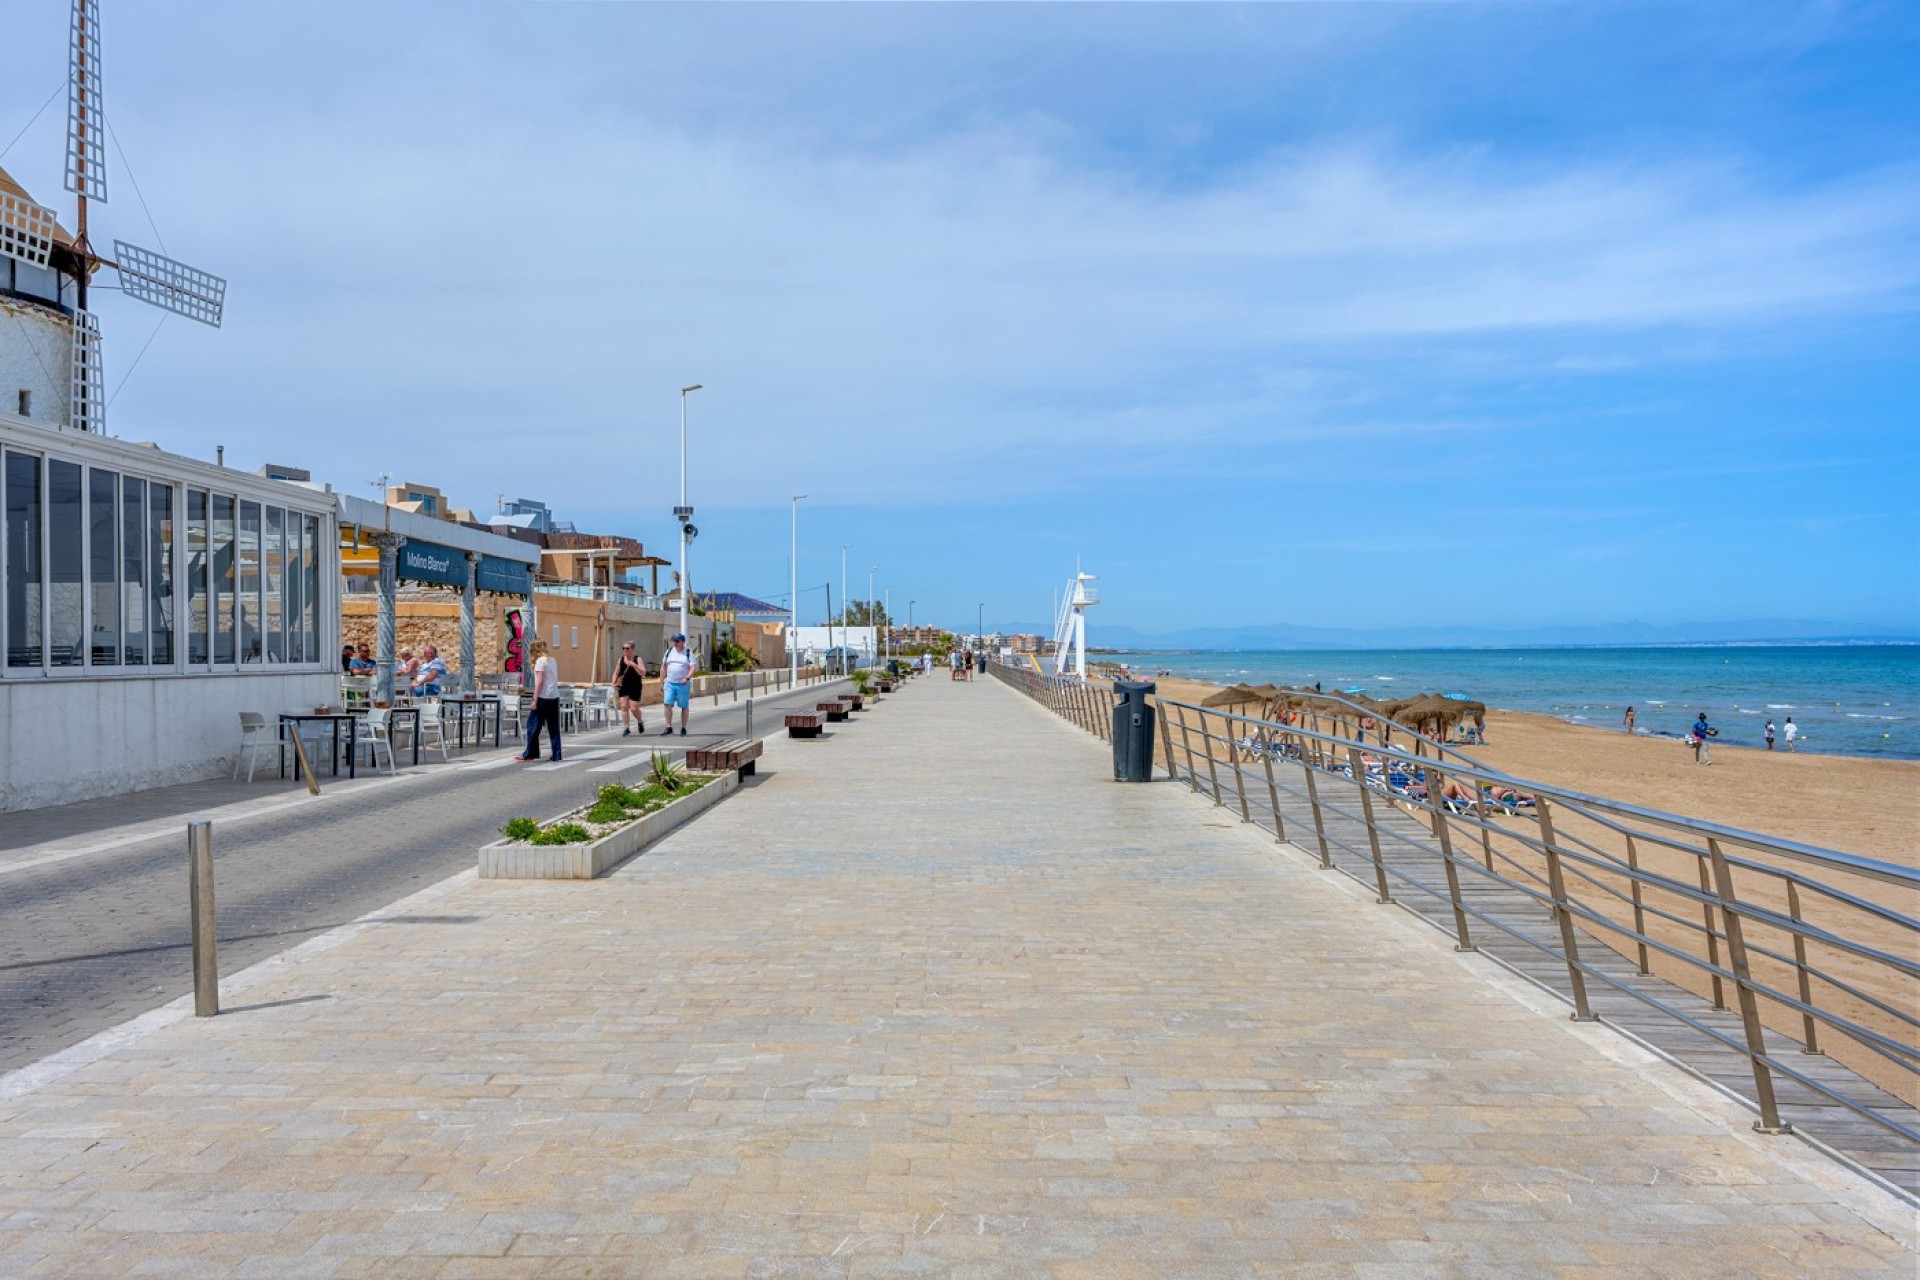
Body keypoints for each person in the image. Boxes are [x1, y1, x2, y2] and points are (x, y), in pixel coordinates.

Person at [516, 640, 562, 762]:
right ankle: (557, 755)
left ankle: (530, 753)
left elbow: (539, 682)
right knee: (553, 728)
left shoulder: (540, 661)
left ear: (534, 650)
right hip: (554, 696)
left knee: (532, 725)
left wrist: (534, 699)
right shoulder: (552, 660)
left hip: (543, 697)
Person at [659, 633, 695, 736]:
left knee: (684, 706)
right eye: (674, 641)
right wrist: (661, 682)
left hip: (683, 684)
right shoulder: (669, 651)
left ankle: (683, 727)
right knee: (667, 703)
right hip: (670, 682)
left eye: (677, 641)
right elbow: (663, 667)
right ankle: (668, 726)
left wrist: (687, 678)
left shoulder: (688, 652)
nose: (675, 643)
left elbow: (692, 667)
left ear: (682, 642)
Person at [613, 641, 647, 736]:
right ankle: (626, 728)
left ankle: (640, 721)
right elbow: (616, 672)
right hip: (623, 686)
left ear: (632, 649)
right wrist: (614, 682)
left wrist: (634, 665)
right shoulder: (620, 660)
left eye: (627, 648)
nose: (625, 650)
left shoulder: (637, 659)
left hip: (635, 686)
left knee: (634, 709)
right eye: (623, 648)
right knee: (623, 706)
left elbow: (643, 672)